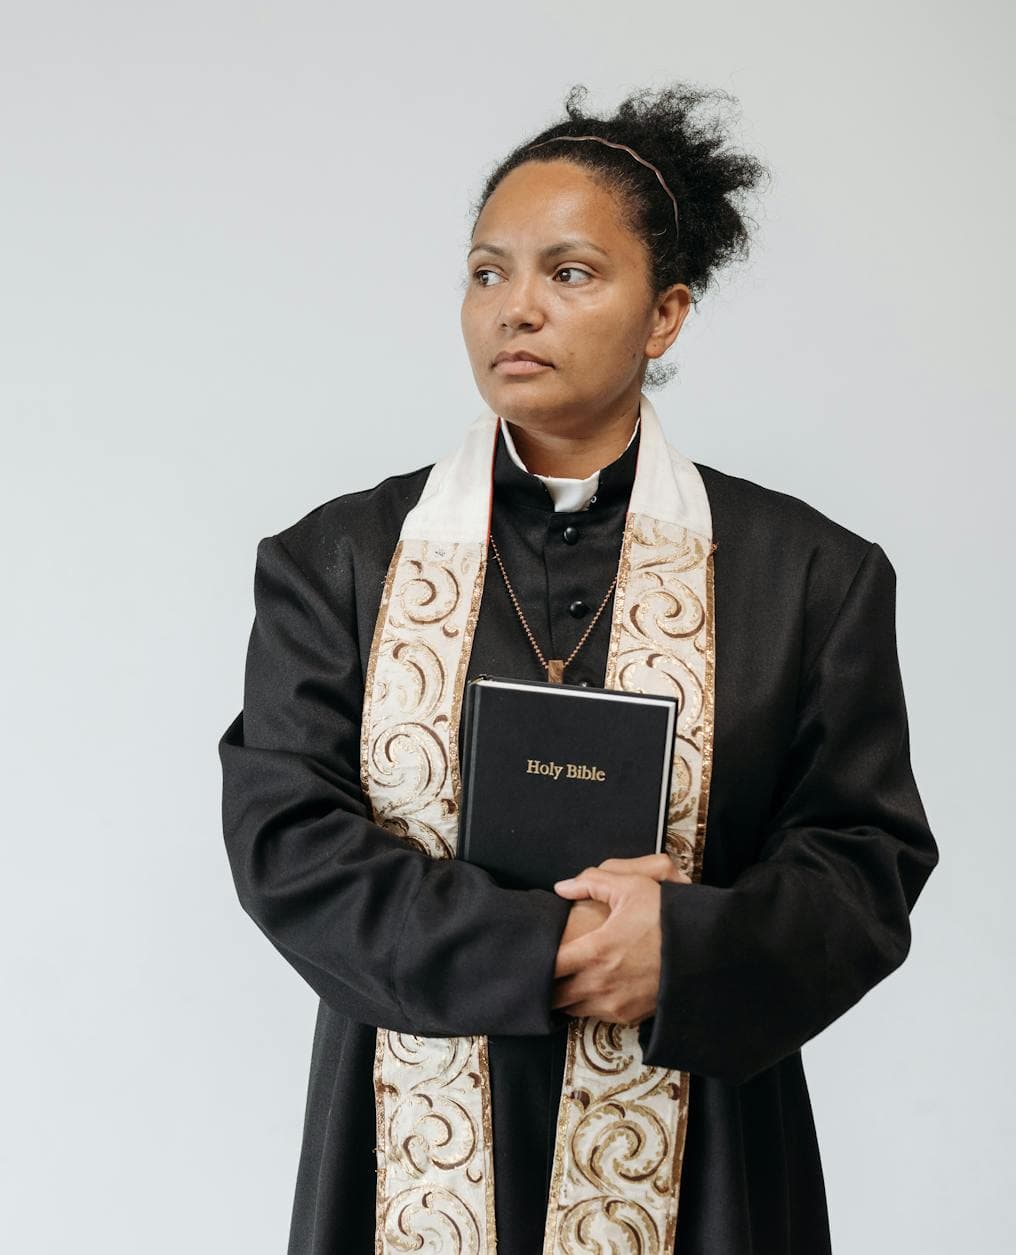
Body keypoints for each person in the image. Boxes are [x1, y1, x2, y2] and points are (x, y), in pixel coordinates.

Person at [216, 83, 939, 1255]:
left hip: (700, 1156)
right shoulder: (336, 561)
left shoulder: (805, 574)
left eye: (568, 274)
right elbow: (284, 839)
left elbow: (863, 865)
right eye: (487, 272)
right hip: (404, 1142)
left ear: (662, 316)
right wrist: (541, 949)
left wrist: (688, 949)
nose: (514, 310)